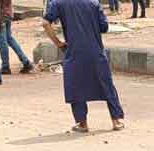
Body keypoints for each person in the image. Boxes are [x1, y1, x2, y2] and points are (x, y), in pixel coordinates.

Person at [42, 0, 124, 132]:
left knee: (76, 86)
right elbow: (104, 27)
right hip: (95, 50)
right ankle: (116, 121)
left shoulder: (58, 3)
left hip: (74, 51)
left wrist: (58, 43)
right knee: (106, 84)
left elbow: (45, 23)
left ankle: (82, 123)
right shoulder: (94, 2)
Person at [0, 0, 32, 74]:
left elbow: (0, 4)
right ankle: (25, 61)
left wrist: (0, 18)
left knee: (2, 41)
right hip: (7, 14)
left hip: (2, 15)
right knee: (9, 39)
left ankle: (5, 66)